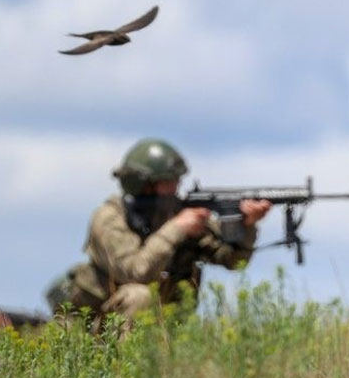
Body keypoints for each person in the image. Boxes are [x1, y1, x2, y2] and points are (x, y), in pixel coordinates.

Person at [47, 138, 271, 323]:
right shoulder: (109, 219)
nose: (176, 188)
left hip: (160, 328)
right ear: (145, 184)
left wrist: (247, 226)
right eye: (169, 181)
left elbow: (233, 261)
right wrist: (176, 229)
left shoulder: (176, 214)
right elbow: (135, 272)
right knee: (139, 296)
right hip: (95, 330)